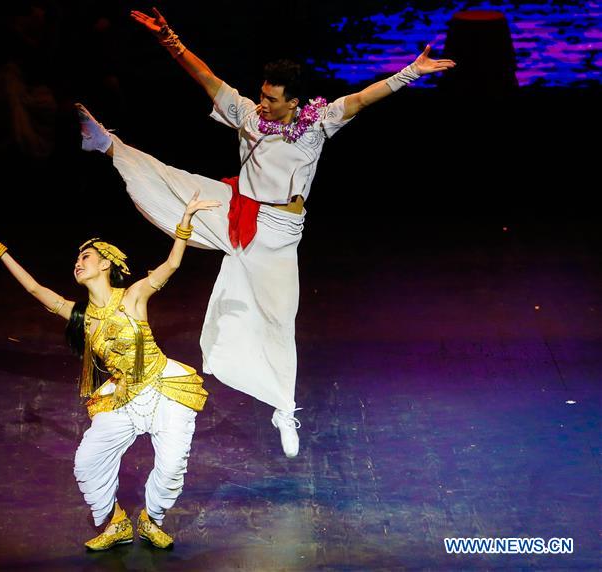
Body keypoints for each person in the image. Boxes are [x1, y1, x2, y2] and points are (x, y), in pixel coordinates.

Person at [76, 7, 455, 458]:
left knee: (278, 322)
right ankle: (108, 144)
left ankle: (282, 407)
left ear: (294, 102)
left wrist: (412, 71)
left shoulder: (316, 123)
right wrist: (169, 39)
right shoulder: (248, 116)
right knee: (181, 184)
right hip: (237, 212)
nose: (263, 103)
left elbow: (361, 98)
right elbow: (207, 78)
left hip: (278, 235)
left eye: (272, 99)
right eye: (262, 94)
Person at [0, 190, 220, 550]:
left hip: (162, 389)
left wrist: (186, 220)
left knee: (173, 465)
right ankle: (115, 524)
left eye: (86, 257)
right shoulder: (80, 316)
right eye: (77, 259)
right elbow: (36, 289)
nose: (78, 263)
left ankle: (150, 519)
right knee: (86, 462)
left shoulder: (133, 296)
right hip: (122, 398)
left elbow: (171, 266)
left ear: (105, 264)